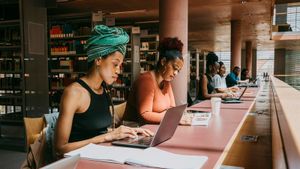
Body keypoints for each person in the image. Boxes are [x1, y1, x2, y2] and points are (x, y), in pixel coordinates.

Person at [54, 25, 153, 156]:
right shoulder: (74, 93)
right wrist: (106, 137)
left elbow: (103, 131)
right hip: (79, 162)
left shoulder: (104, 89)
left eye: (120, 65)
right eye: (115, 64)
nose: (118, 71)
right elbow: (60, 148)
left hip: (100, 155)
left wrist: (130, 131)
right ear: (99, 59)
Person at [123, 37, 184, 124]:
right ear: (163, 61)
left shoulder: (166, 82)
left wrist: (173, 116)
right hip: (134, 130)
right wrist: (171, 118)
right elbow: (144, 115)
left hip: (152, 128)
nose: (176, 73)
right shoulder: (146, 81)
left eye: (178, 70)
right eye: (175, 68)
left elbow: (172, 108)